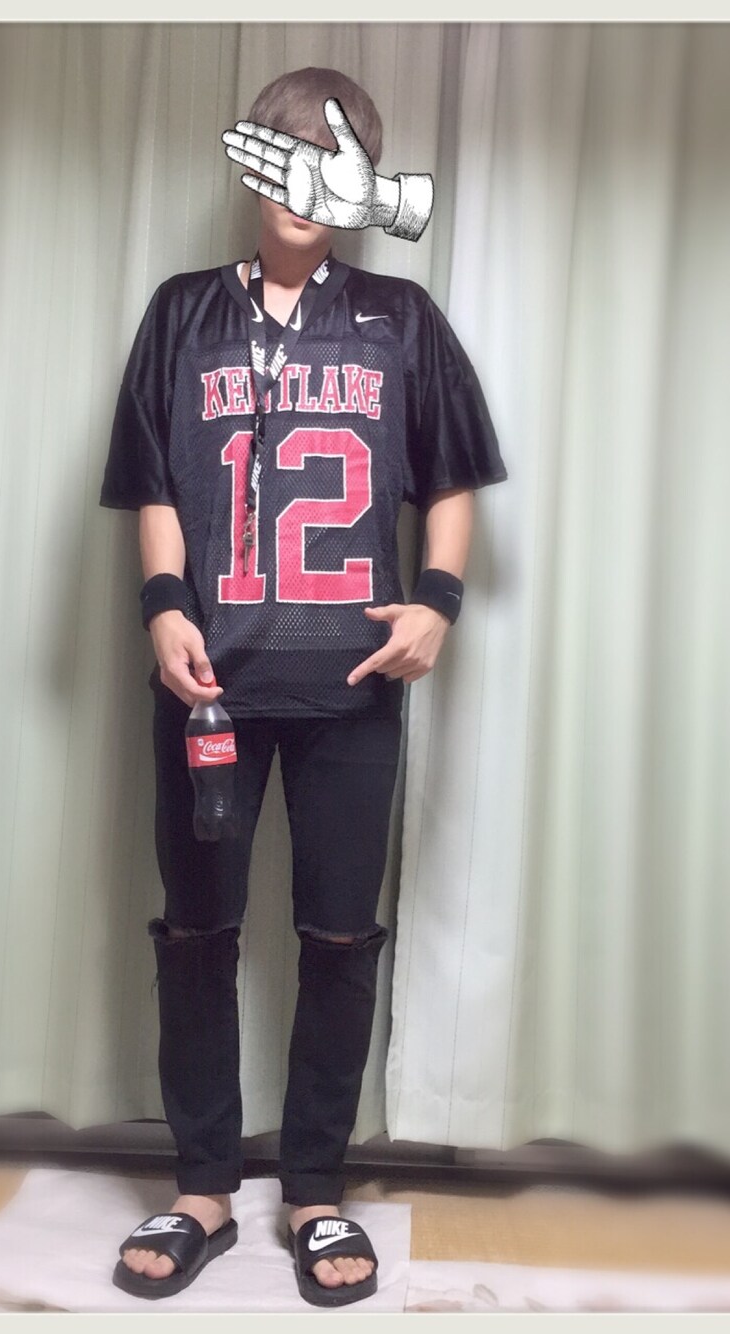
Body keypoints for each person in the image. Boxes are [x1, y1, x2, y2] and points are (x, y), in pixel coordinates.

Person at [99, 66, 506, 1308]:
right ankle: (203, 1186)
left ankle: (317, 1187)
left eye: (335, 163)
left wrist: (436, 603)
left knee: (337, 935)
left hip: (350, 684)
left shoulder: (401, 318)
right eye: (283, 153)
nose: (305, 184)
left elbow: (450, 476)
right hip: (207, 684)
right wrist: (164, 604)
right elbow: (154, 482)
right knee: (197, 933)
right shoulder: (182, 313)